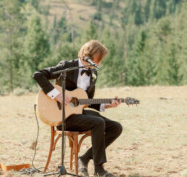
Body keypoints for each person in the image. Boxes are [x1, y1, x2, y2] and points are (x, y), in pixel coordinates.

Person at [32, 40, 123, 177]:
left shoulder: (93, 74)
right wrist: (57, 95)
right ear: (88, 56)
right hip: (62, 117)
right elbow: (38, 75)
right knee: (98, 123)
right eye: (98, 60)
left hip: (79, 114)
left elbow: (86, 101)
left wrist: (107, 105)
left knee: (116, 127)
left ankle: (85, 158)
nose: (99, 64)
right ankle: (99, 169)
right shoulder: (67, 66)